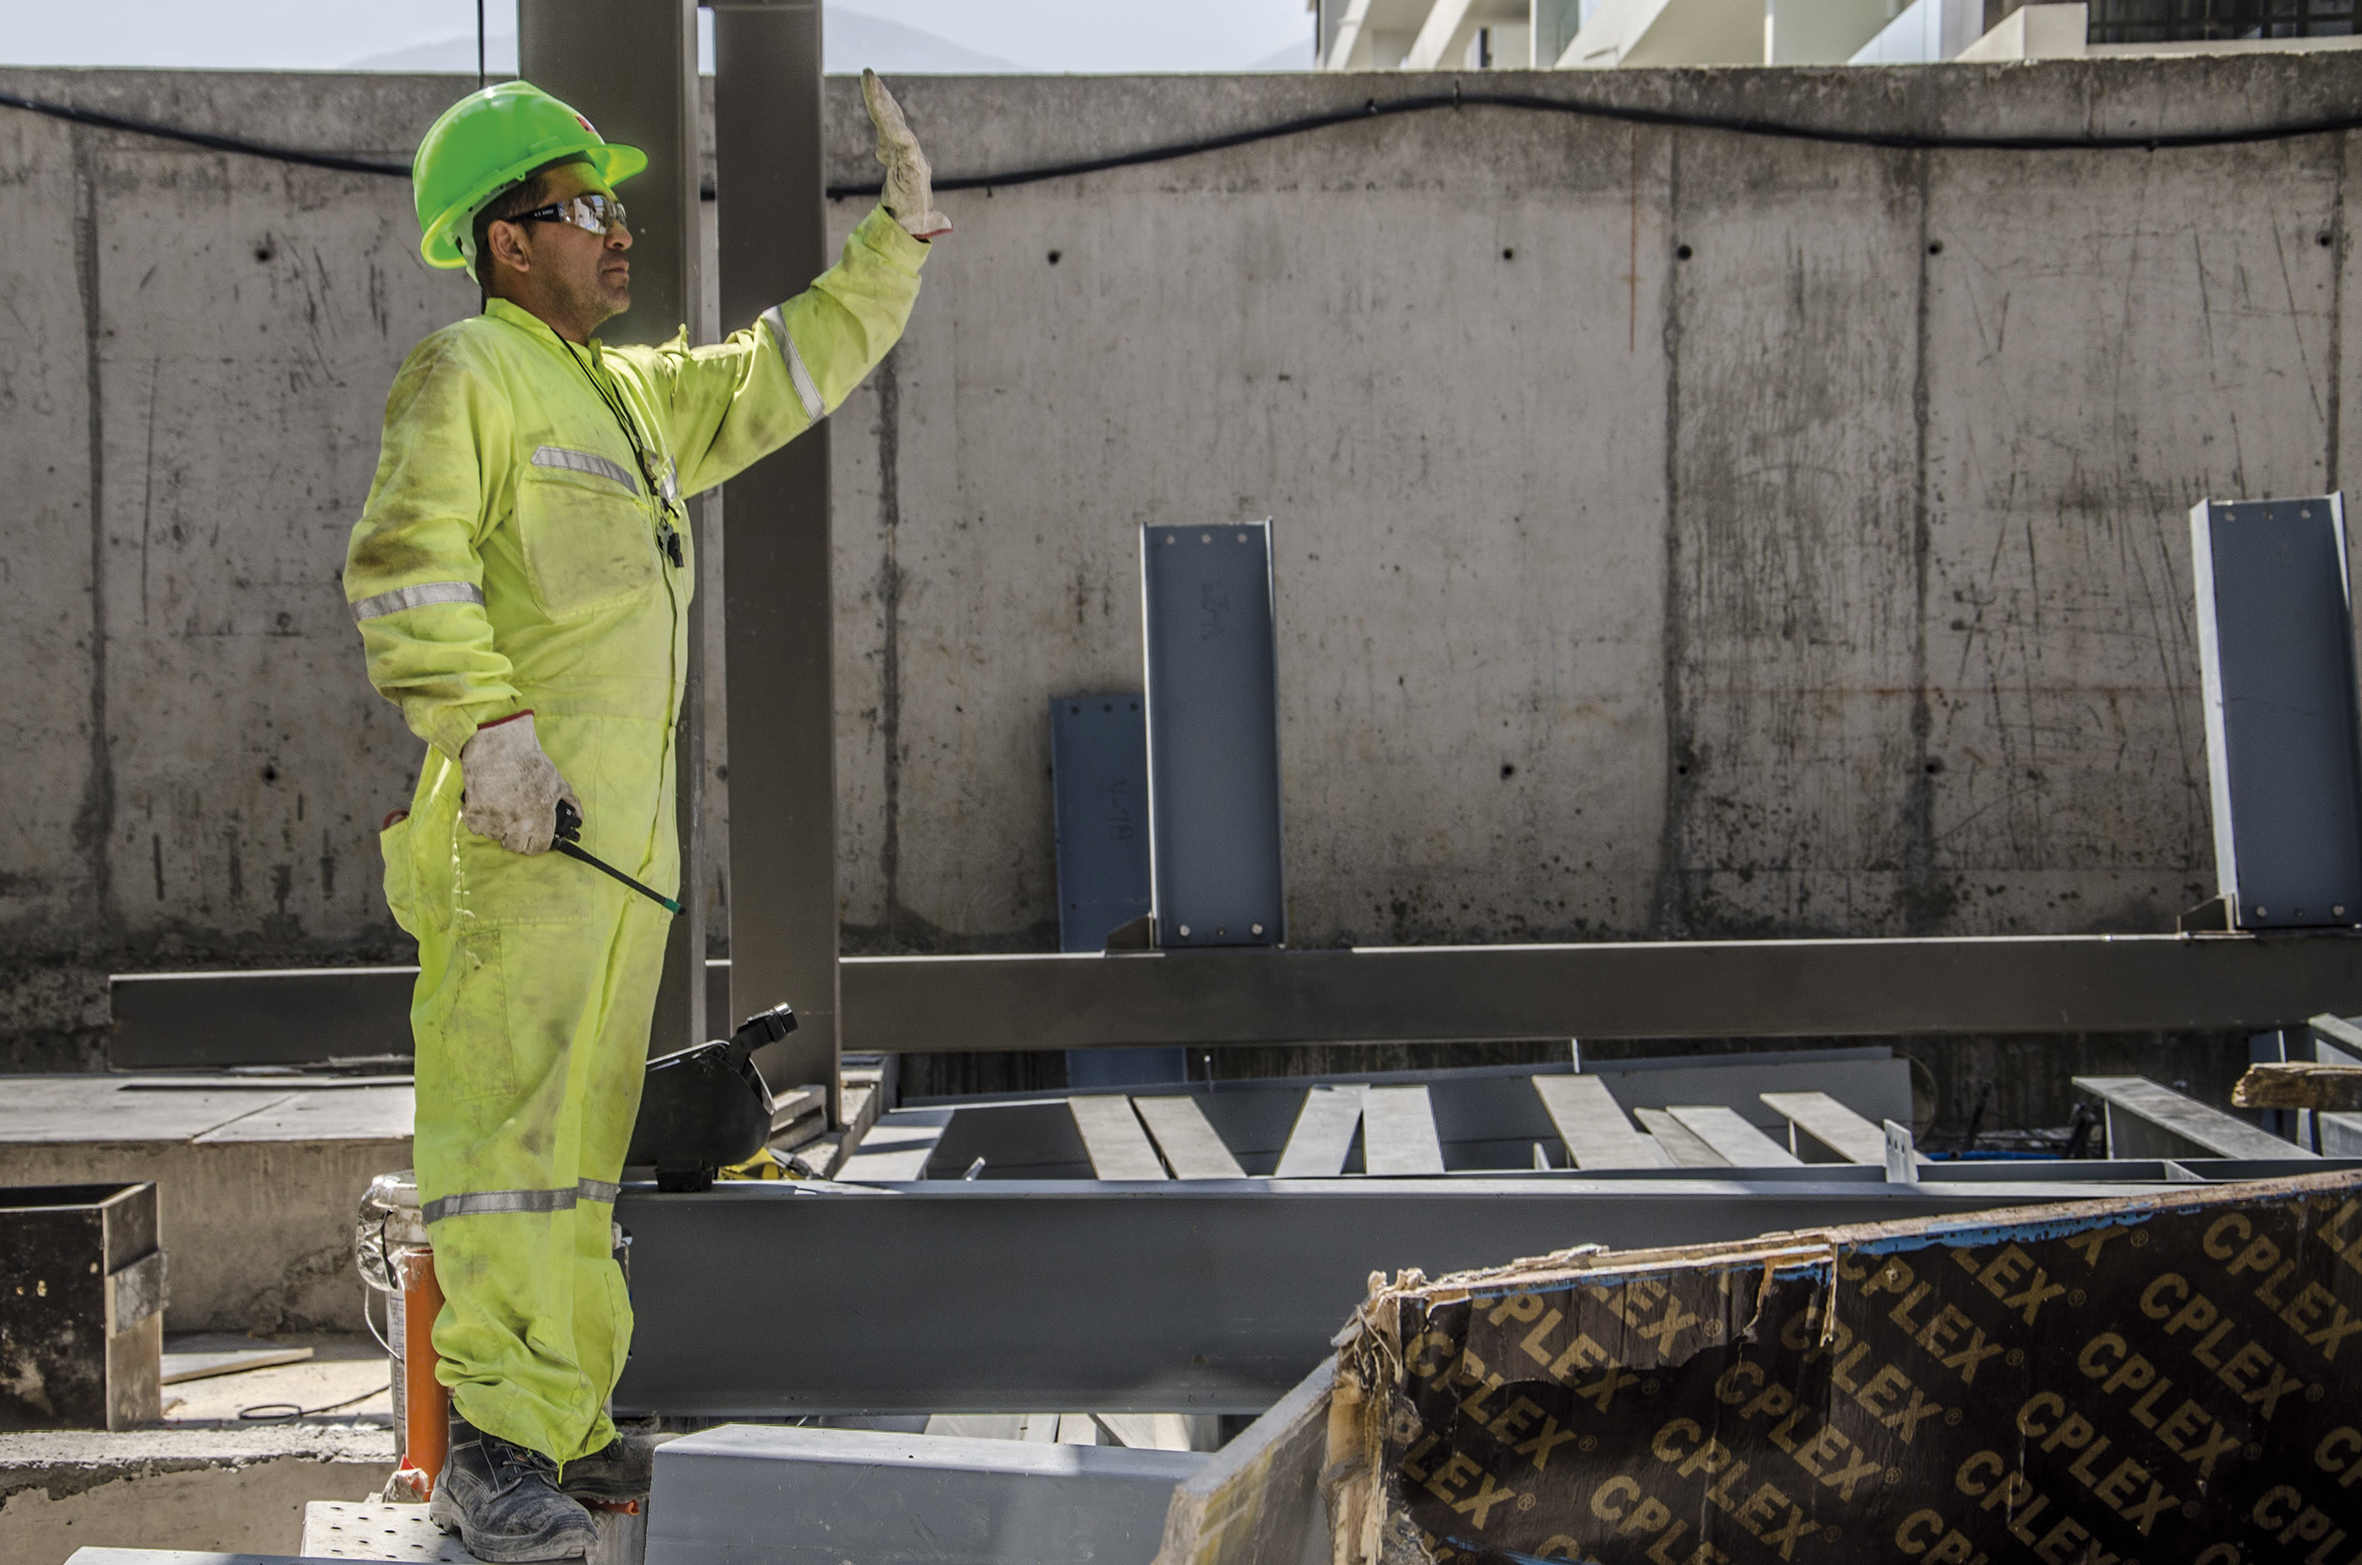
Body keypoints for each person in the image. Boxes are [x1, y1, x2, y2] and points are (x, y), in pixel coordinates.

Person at [345, 70, 947, 1562]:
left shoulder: (621, 399)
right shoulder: (466, 377)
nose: (620, 232)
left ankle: (561, 1412)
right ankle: (491, 1437)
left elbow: (779, 369)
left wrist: (898, 244)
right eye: (585, 208)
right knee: (503, 1143)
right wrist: (485, 729)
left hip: (607, 858)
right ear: (504, 241)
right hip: (516, 840)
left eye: (616, 205)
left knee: (577, 1148)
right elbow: (403, 568)